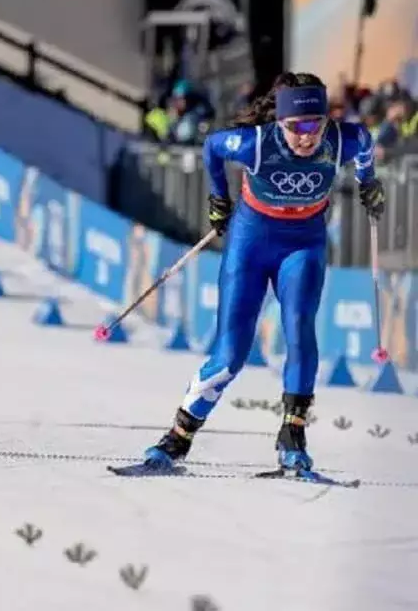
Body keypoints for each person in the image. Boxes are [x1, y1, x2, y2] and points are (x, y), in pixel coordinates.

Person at [143, 72, 385, 472]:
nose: (307, 137)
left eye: (316, 125)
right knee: (231, 353)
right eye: (297, 127)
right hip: (251, 242)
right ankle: (178, 436)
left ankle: (293, 435)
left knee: (300, 329)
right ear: (280, 122)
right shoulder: (255, 143)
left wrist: (367, 182)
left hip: (303, 243)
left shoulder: (343, 139)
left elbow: (365, 146)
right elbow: (212, 146)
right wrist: (219, 199)